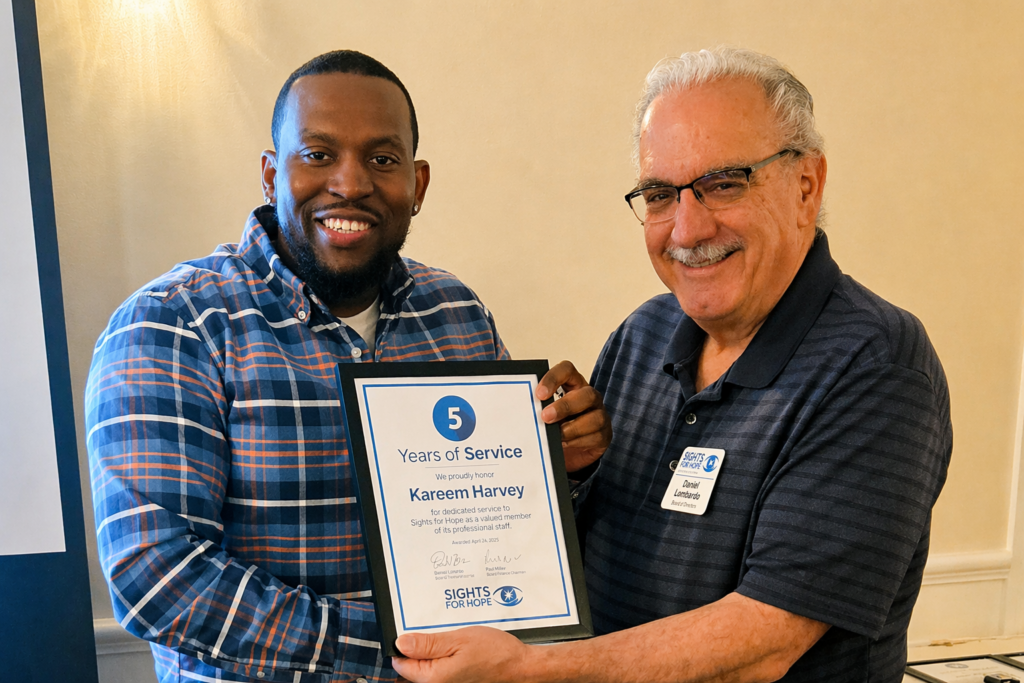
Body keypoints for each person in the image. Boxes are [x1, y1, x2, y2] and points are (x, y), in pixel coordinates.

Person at [392, 47, 953, 683]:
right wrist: (566, 473)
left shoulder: (876, 364)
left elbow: (764, 640)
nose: (687, 228)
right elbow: (577, 556)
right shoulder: (644, 333)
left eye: (723, 183)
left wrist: (530, 669)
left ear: (806, 186)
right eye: (660, 194)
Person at [85, 50, 609, 683]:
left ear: (417, 185)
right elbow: (158, 577)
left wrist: (563, 466)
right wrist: (397, 652)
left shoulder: (457, 314)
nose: (352, 183)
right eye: (318, 154)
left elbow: (502, 532)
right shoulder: (175, 326)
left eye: (382, 160)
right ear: (270, 174)